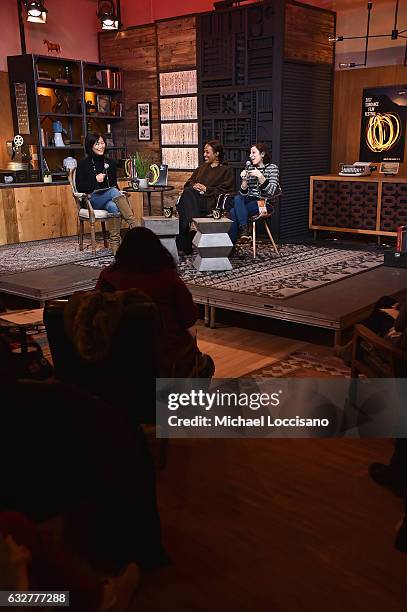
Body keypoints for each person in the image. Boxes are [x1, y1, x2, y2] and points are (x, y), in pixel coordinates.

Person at [96, 227, 215, 377]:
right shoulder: (167, 278)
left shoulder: (107, 276)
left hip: (118, 351)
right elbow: (189, 318)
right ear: (155, 249)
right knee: (202, 360)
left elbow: (96, 309)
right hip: (165, 355)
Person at [75, 133, 137, 254]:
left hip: (107, 199)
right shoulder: (83, 163)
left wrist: (119, 193)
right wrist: (95, 180)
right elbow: (80, 187)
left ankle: (115, 246)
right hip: (91, 199)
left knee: (113, 206)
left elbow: (113, 185)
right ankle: (135, 226)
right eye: (97, 144)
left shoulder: (110, 163)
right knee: (113, 191)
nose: (100, 146)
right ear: (90, 146)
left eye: (102, 143)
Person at [176, 140, 234, 254]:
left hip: (211, 202)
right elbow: (189, 182)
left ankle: (184, 245)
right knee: (188, 192)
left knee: (184, 205)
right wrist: (196, 186)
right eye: (204, 152)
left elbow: (227, 189)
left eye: (207, 152)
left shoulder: (226, 170)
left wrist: (206, 189)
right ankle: (192, 222)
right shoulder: (202, 167)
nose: (204, 155)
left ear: (216, 153)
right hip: (195, 201)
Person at [228, 143, 281, 244]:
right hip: (250, 200)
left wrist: (260, 176)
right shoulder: (250, 169)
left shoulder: (272, 168)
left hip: (265, 203)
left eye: (253, 153)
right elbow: (244, 194)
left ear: (262, 154)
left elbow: (272, 191)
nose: (250, 155)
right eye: (250, 153)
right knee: (238, 198)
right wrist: (244, 181)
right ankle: (244, 230)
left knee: (233, 211)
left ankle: (233, 244)